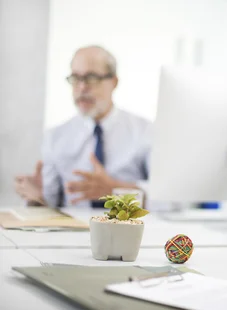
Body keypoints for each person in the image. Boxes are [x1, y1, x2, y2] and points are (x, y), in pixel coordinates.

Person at [14, 45, 151, 208]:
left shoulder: (145, 131)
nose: (82, 87)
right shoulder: (55, 137)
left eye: (91, 78)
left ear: (114, 82)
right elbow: (50, 208)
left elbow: (169, 200)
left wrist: (116, 190)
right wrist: (36, 199)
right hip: (73, 231)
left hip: (131, 228)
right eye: (75, 78)